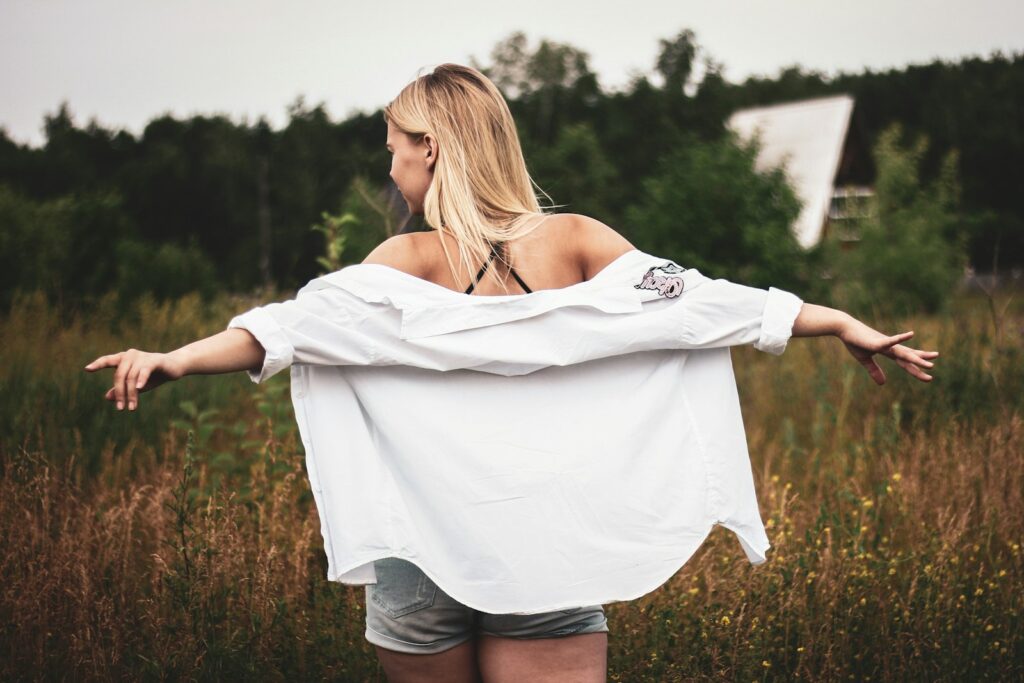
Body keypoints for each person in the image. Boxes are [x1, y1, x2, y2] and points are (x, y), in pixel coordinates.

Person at [84, 64, 939, 683]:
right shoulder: (576, 242)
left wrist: (171, 361)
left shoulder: (405, 259)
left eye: (394, 149)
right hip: (547, 549)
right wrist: (834, 322)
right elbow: (702, 303)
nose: (390, 168)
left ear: (431, 149)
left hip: (424, 557)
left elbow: (284, 332)